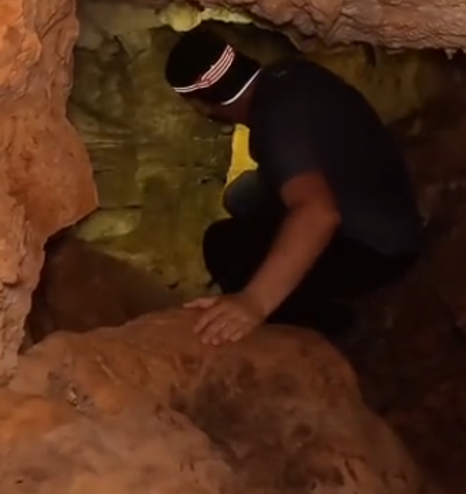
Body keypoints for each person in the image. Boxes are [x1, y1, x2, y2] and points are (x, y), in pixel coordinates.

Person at [164, 25, 425, 347]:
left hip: (378, 248)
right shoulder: (288, 76)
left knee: (225, 245)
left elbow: (319, 214)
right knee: (242, 196)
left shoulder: (275, 122)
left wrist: (253, 302)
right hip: (382, 203)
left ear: (201, 106)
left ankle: (326, 325)